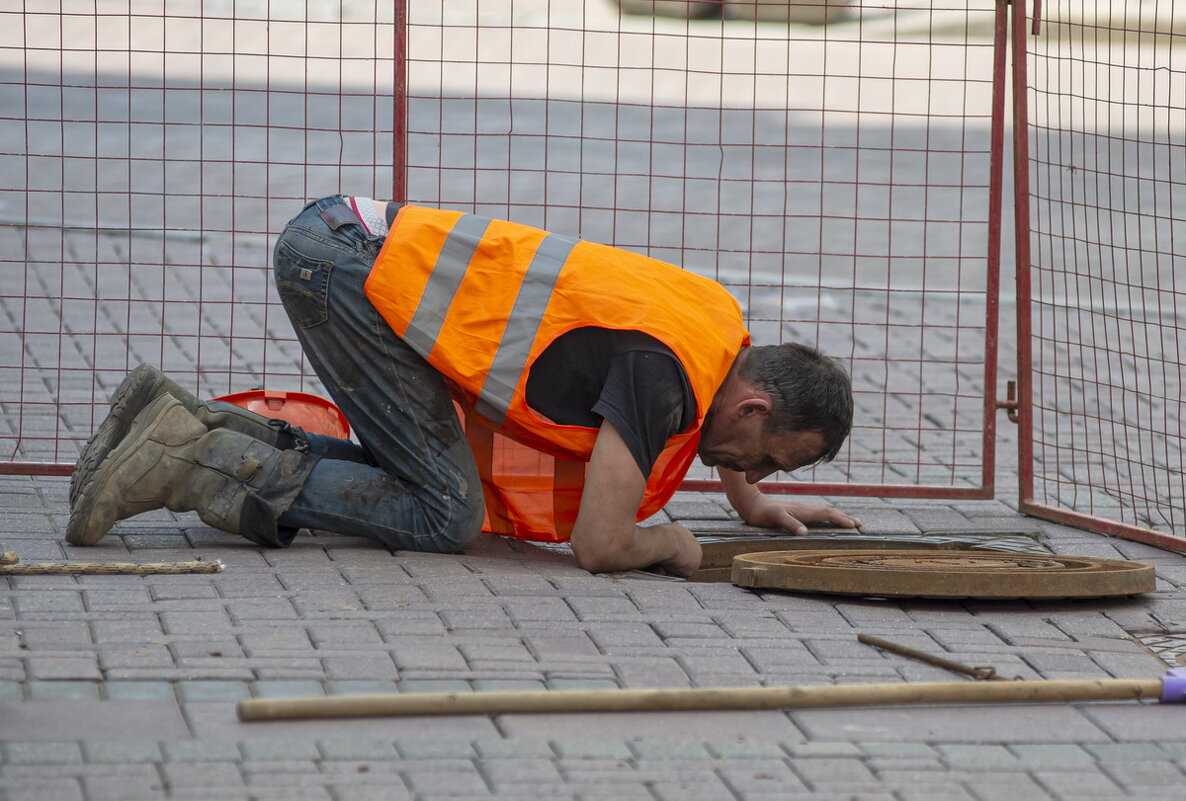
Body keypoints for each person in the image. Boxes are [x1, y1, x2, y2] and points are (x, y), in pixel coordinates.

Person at [66, 196, 860, 576]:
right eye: (769, 462)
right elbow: (601, 542)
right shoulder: (668, 380)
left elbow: (721, 419)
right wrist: (677, 543)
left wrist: (752, 507)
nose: (754, 472)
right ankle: (189, 461)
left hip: (347, 245)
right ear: (755, 406)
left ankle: (169, 421)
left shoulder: (719, 329)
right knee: (447, 512)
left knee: (423, 481)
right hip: (346, 274)